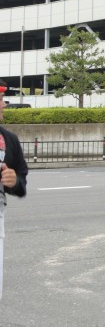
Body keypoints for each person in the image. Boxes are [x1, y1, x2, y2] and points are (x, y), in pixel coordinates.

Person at [0, 80, 28, 302]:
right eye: (0, 100)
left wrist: (14, 181)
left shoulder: (10, 140)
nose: (4, 105)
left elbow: (22, 182)